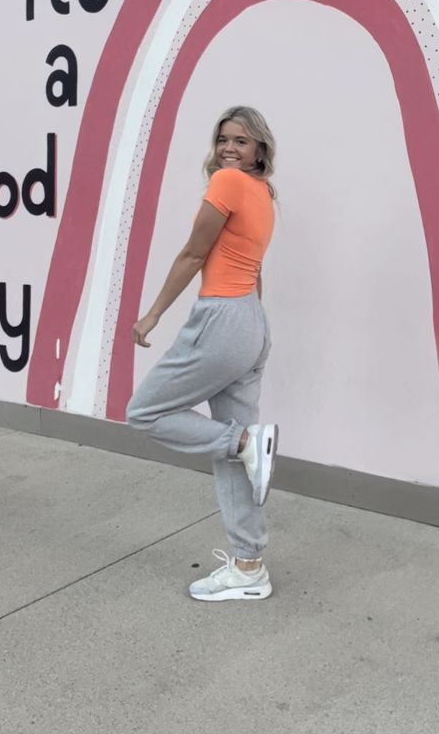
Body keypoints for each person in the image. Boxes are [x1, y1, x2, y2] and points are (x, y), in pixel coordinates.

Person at [126, 105, 279, 602]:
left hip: (223, 318)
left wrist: (152, 315)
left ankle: (244, 442)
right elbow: (253, 268)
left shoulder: (228, 183)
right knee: (237, 457)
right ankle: (249, 567)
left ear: (259, 149)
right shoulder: (262, 192)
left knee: (144, 412)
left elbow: (193, 254)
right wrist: (252, 328)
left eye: (241, 141)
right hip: (250, 319)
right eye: (223, 139)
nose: (229, 148)